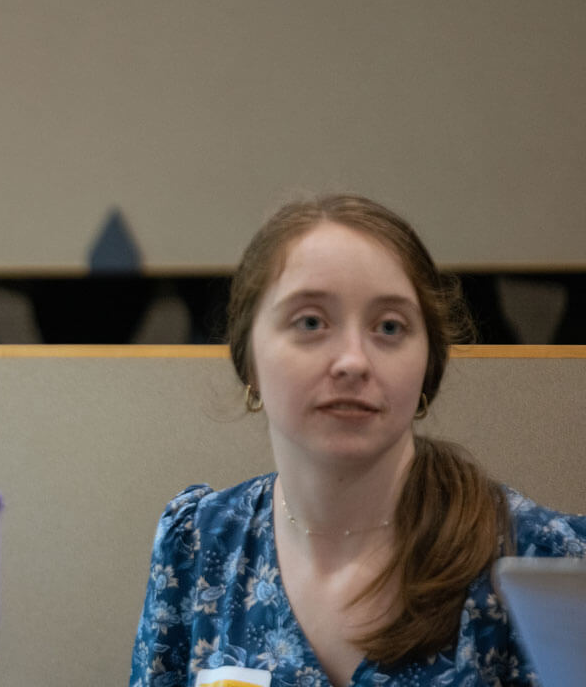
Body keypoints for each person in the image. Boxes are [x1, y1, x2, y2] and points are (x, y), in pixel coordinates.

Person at [130, 194, 586, 687]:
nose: (353, 361)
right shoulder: (197, 544)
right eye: (311, 322)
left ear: (427, 369)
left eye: (389, 327)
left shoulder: (541, 562)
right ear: (248, 358)